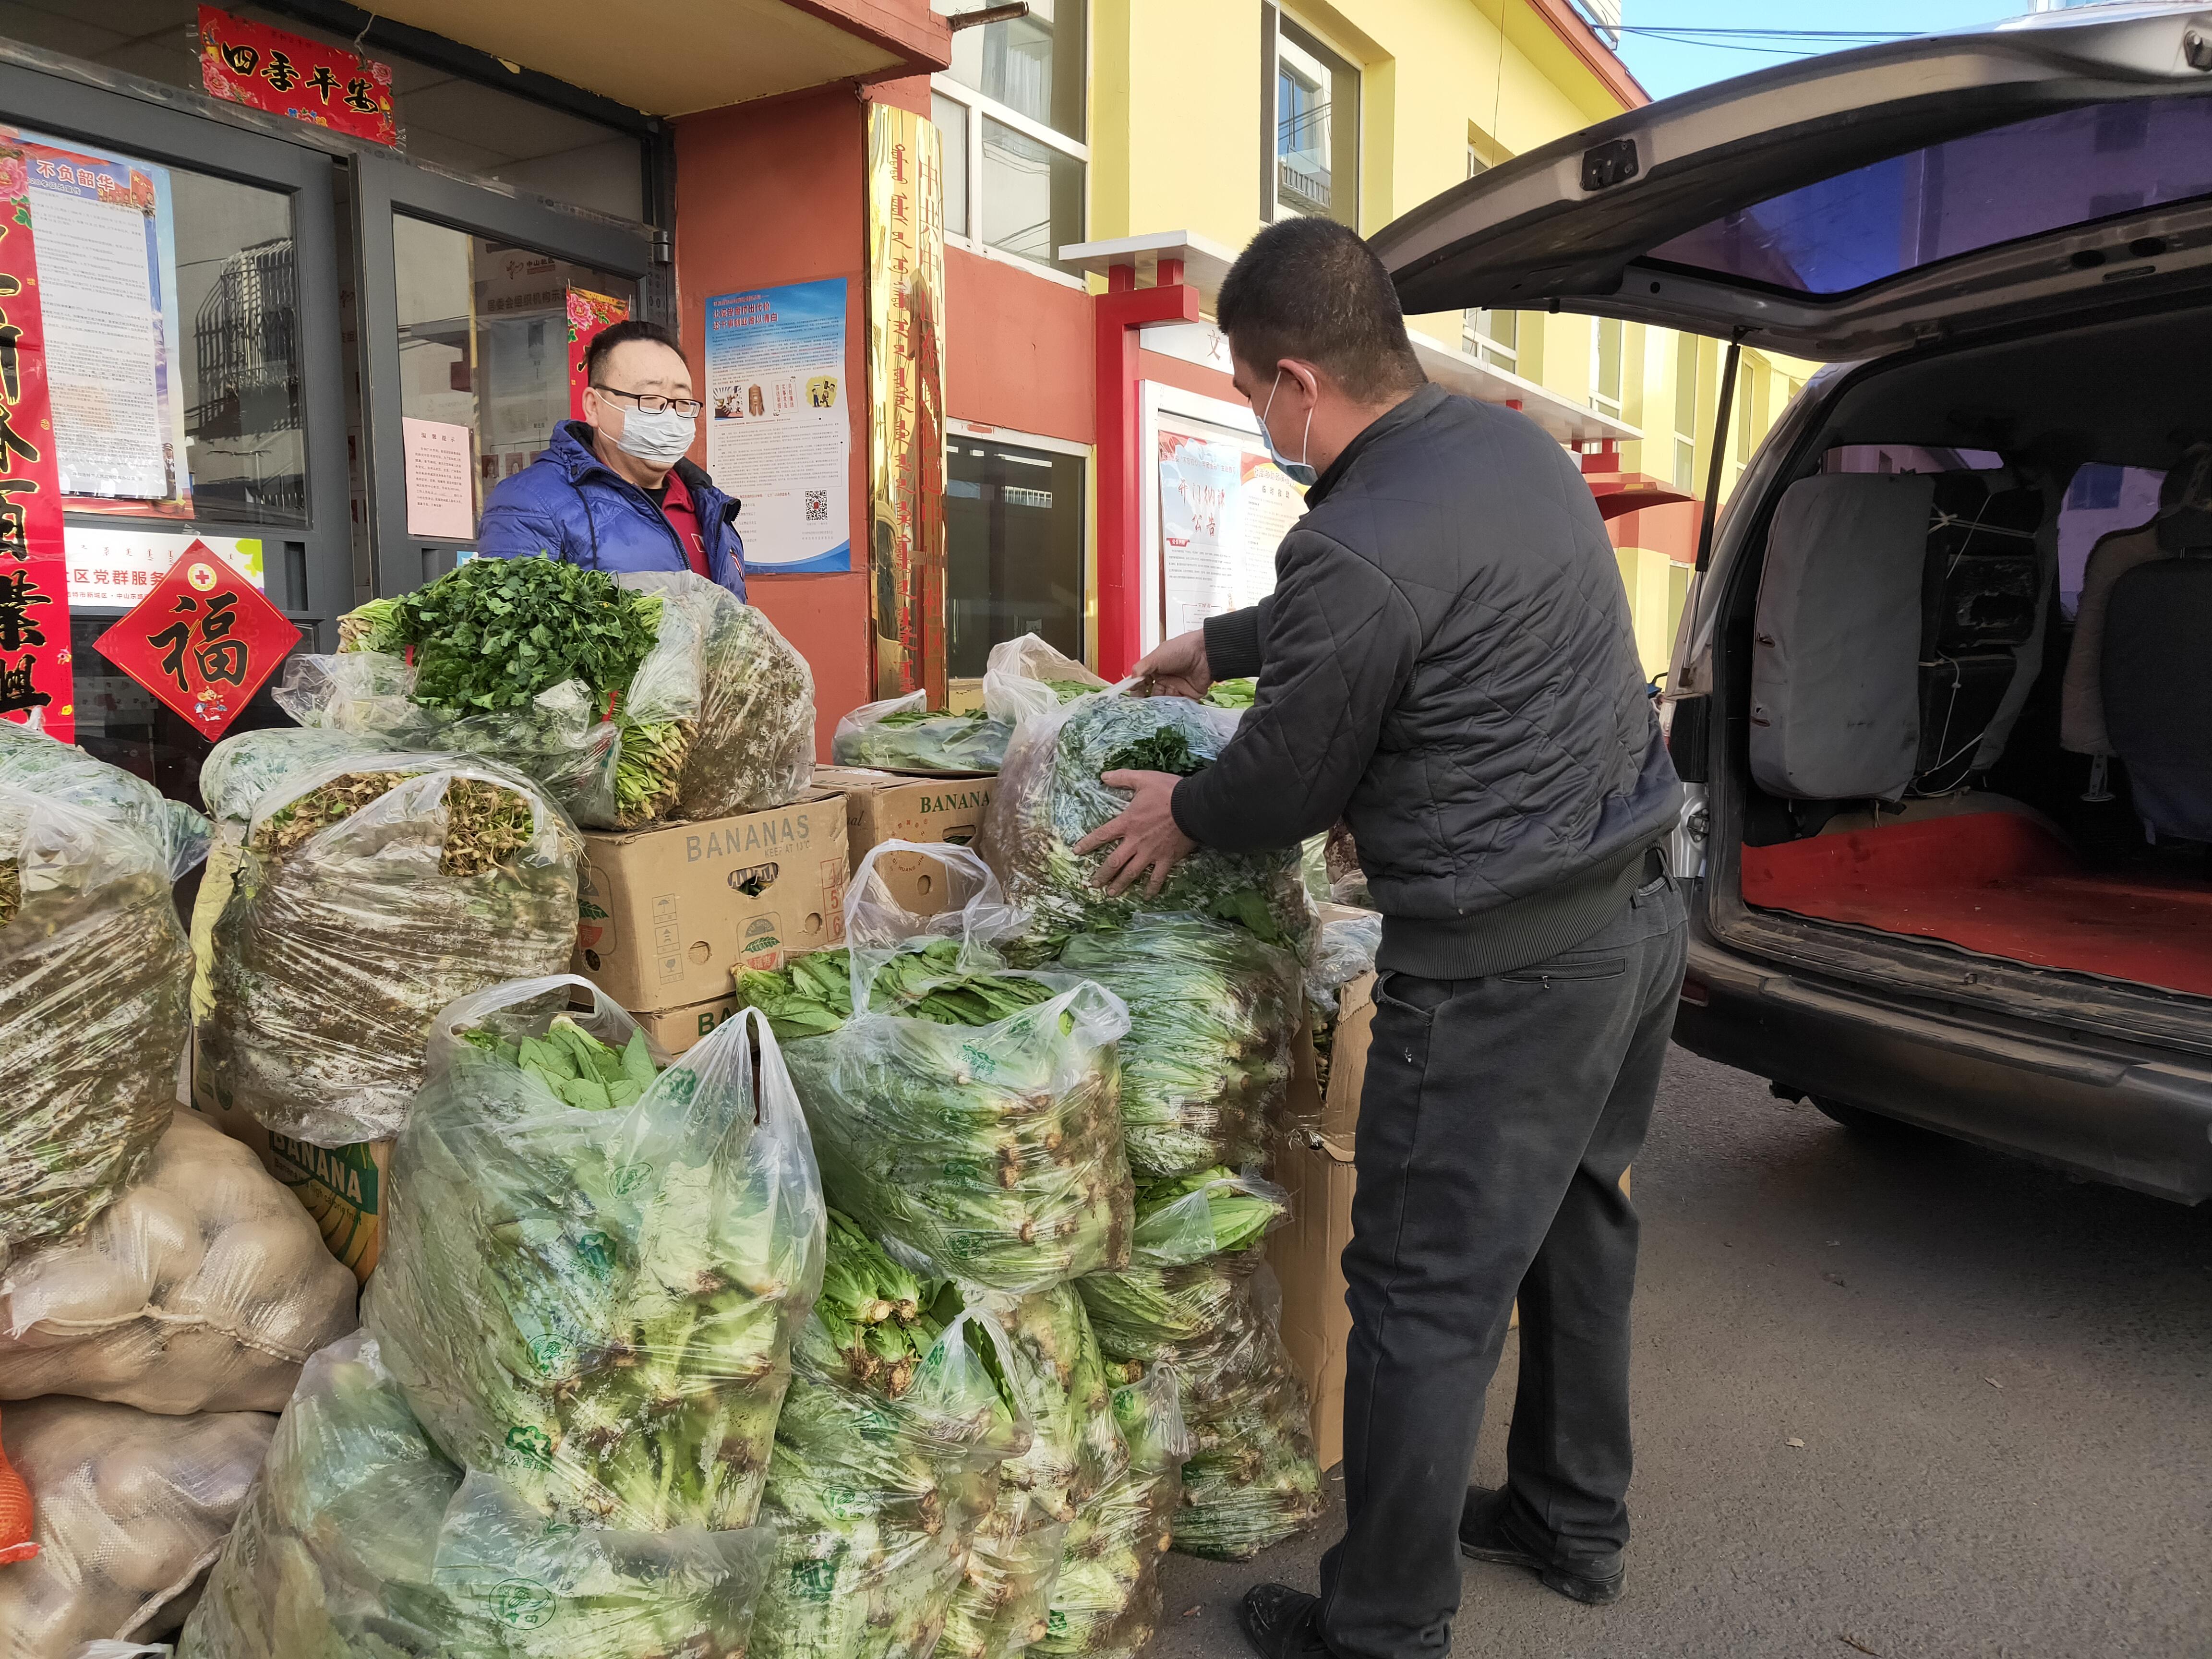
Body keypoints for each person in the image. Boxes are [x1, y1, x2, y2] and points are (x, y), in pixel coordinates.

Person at [1076, 217, 1686, 1659]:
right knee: (1580, 1222)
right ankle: (1570, 1518)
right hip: (1640, 913)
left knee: (1420, 1291)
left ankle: (1384, 1631)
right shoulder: (1510, 449)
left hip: (1502, 969)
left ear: (1297, 381)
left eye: (1245, 392)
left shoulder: (1348, 536)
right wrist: (1218, 644)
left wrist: (1185, 810)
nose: (1252, 417)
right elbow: (1402, 609)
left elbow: (1287, 779)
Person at [478, 318, 745, 599]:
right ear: (594, 406)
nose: (670, 415)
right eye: (651, 399)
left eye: (682, 402)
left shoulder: (710, 505)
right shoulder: (530, 504)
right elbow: (518, 630)